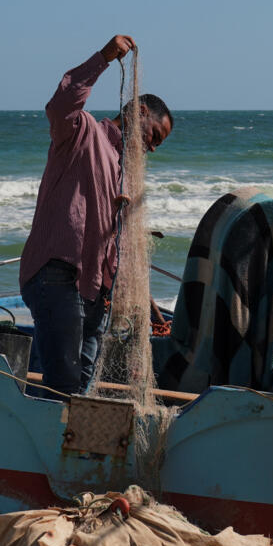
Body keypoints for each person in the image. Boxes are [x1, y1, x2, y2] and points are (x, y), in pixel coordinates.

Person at [19, 34, 173, 399]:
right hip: (58, 275)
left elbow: (119, 245)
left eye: (157, 146)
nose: (151, 147)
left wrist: (145, 302)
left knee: (83, 382)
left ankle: (64, 447)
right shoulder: (83, 133)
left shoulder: (127, 171)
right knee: (65, 383)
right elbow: (60, 104)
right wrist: (103, 58)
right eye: (154, 135)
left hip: (95, 292)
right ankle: (50, 448)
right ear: (139, 113)